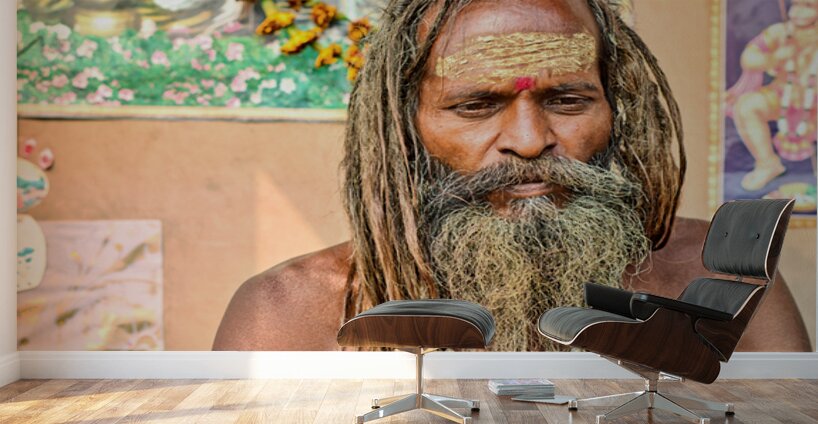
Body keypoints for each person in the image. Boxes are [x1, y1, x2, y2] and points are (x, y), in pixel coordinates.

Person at [214, 0, 811, 351]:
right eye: (475, 106)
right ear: (404, 126)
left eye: (568, 100)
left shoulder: (717, 278)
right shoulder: (288, 313)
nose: (529, 140)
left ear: (616, 108)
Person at [727, 0, 818, 192]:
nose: (799, 12)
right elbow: (748, 58)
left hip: (814, 102)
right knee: (746, 106)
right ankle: (768, 164)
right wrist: (775, 58)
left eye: (808, 6)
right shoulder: (779, 32)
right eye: (796, 5)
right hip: (783, 95)